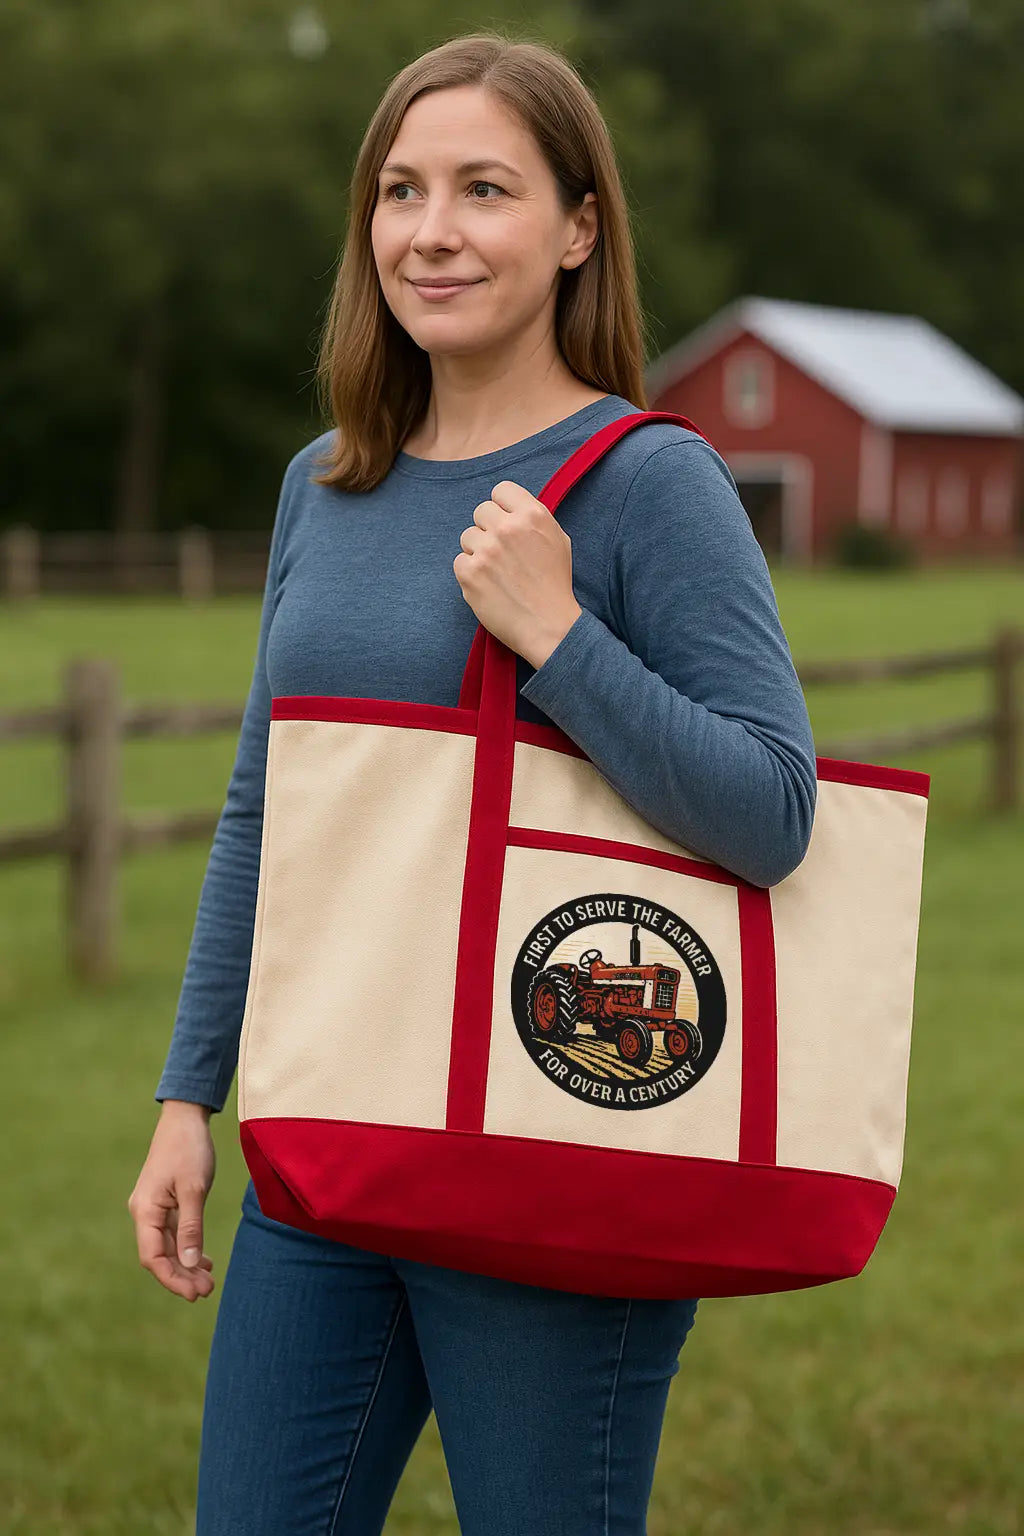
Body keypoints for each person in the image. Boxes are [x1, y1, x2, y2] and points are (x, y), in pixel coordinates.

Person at [128, 30, 816, 1536]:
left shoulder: (651, 482)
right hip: (327, 1154)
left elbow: (775, 811)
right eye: (401, 190)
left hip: (562, 1150)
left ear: (579, 229)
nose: (430, 231)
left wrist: (559, 634)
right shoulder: (326, 482)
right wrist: (191, 1095)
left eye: (485, 189)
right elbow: (265, 810)